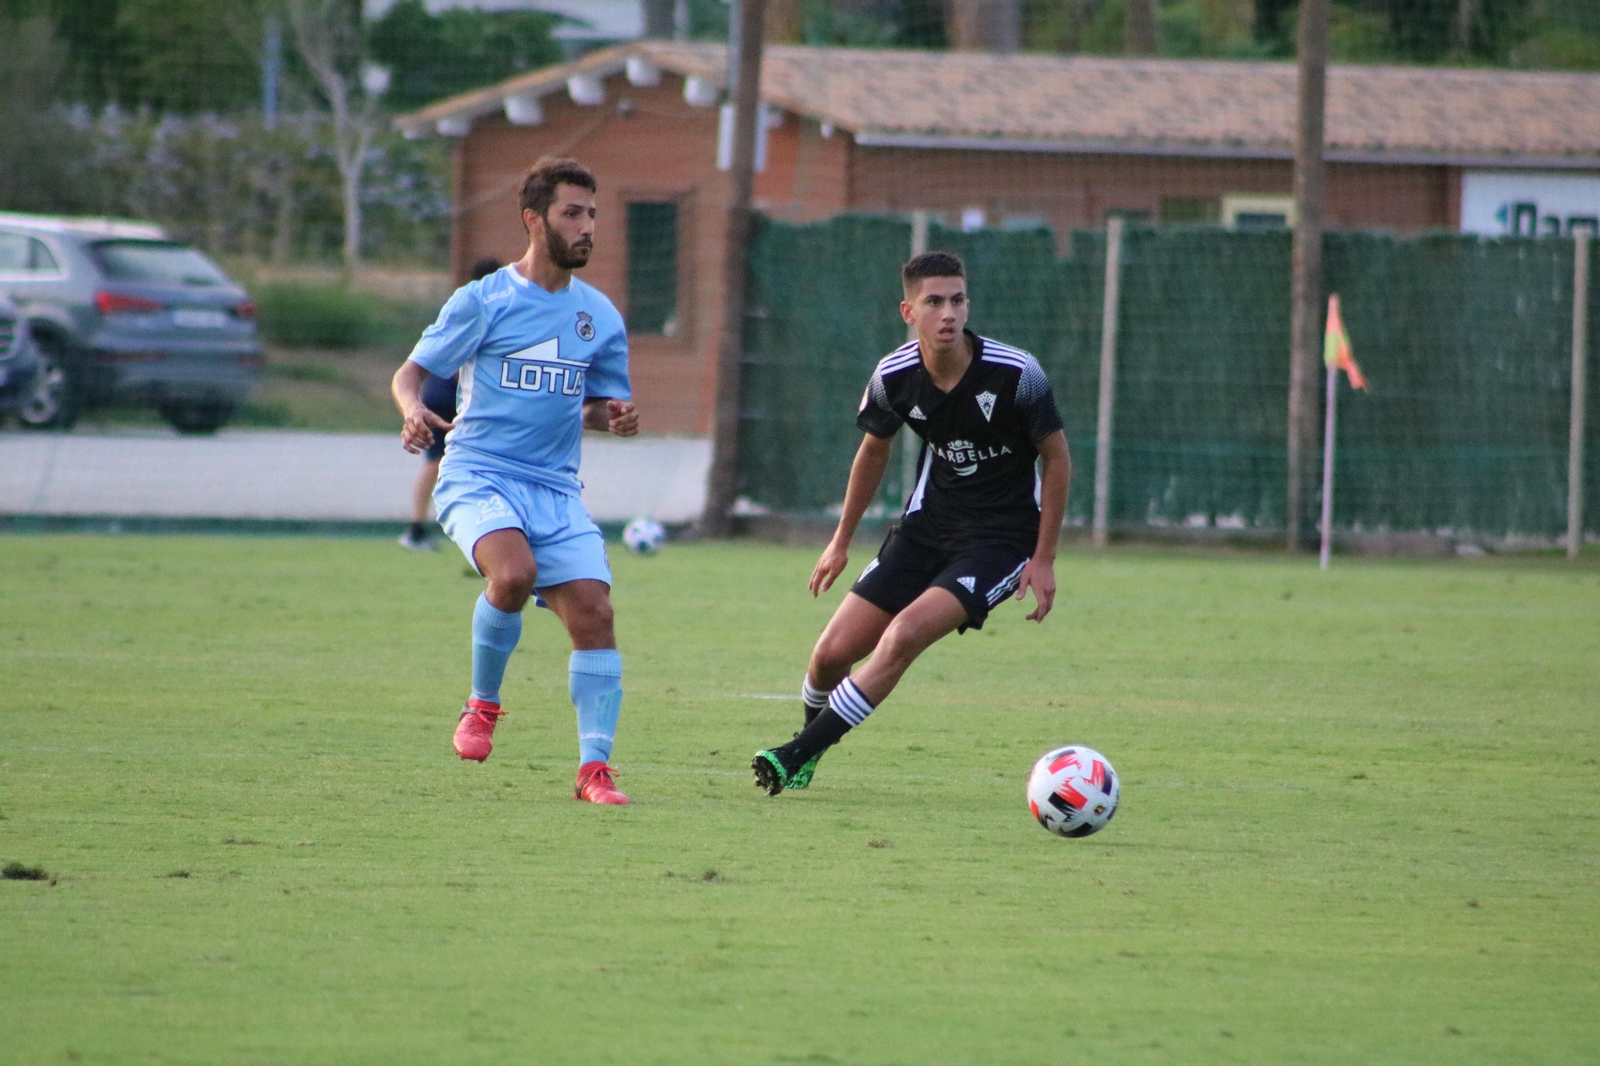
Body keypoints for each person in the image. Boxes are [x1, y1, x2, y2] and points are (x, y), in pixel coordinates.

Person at [751, 251, 1070, 796]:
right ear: (908, 311)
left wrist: (1042, 559)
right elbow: (873, 451)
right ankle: (808, 749)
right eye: (934, 302)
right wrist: (840, 541)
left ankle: (796, 753)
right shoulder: (893, 376)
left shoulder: (1018, 373)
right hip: (926, 530)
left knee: (902, 637)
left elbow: (1057, 458)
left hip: (1000, 542)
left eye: (958, 300)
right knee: (829, 656)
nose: (949, 313)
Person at [392, 157, 640, 805]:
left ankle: (594, 771)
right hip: (478, 474)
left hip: (555, 490)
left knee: (596, 613)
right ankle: (482, 703)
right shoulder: (485, 301)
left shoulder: (599, 317)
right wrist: (413, 410)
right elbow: (409, 375)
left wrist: (611, 415)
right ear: (534, 219)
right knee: (512, 574)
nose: (588, 227)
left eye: (592, 214)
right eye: (572, 213)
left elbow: (593, 403)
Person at [398, 256, 503, 551]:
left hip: (438, 390)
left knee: (437, 462)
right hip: (451, 395)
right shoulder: (484, 308)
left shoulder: (463, 303)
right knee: (441, 462)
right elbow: (460, 362)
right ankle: (419, 528)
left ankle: (419, 527)